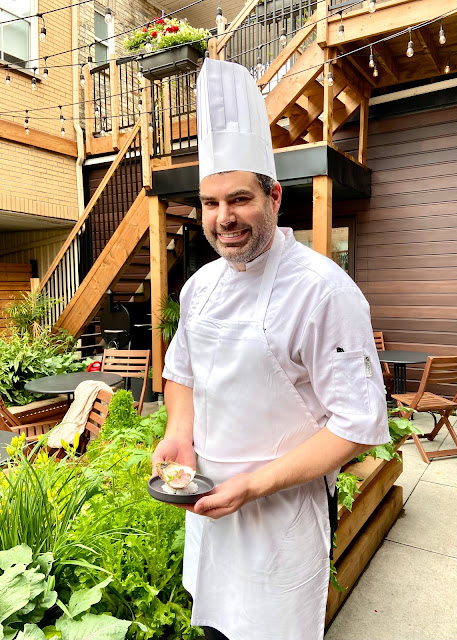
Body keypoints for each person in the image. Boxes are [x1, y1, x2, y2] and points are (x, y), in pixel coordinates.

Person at [151, 58, 389, 640]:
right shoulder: (199, 286)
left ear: (275, 196)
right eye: (210, 203)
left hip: (282, 512)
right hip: (208, 506)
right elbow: (181, 369)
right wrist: (179, 434)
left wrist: (253, 485)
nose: (222, 219)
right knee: (212, 626)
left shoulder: (323, 291)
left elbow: (358, 424)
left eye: (239, 200)